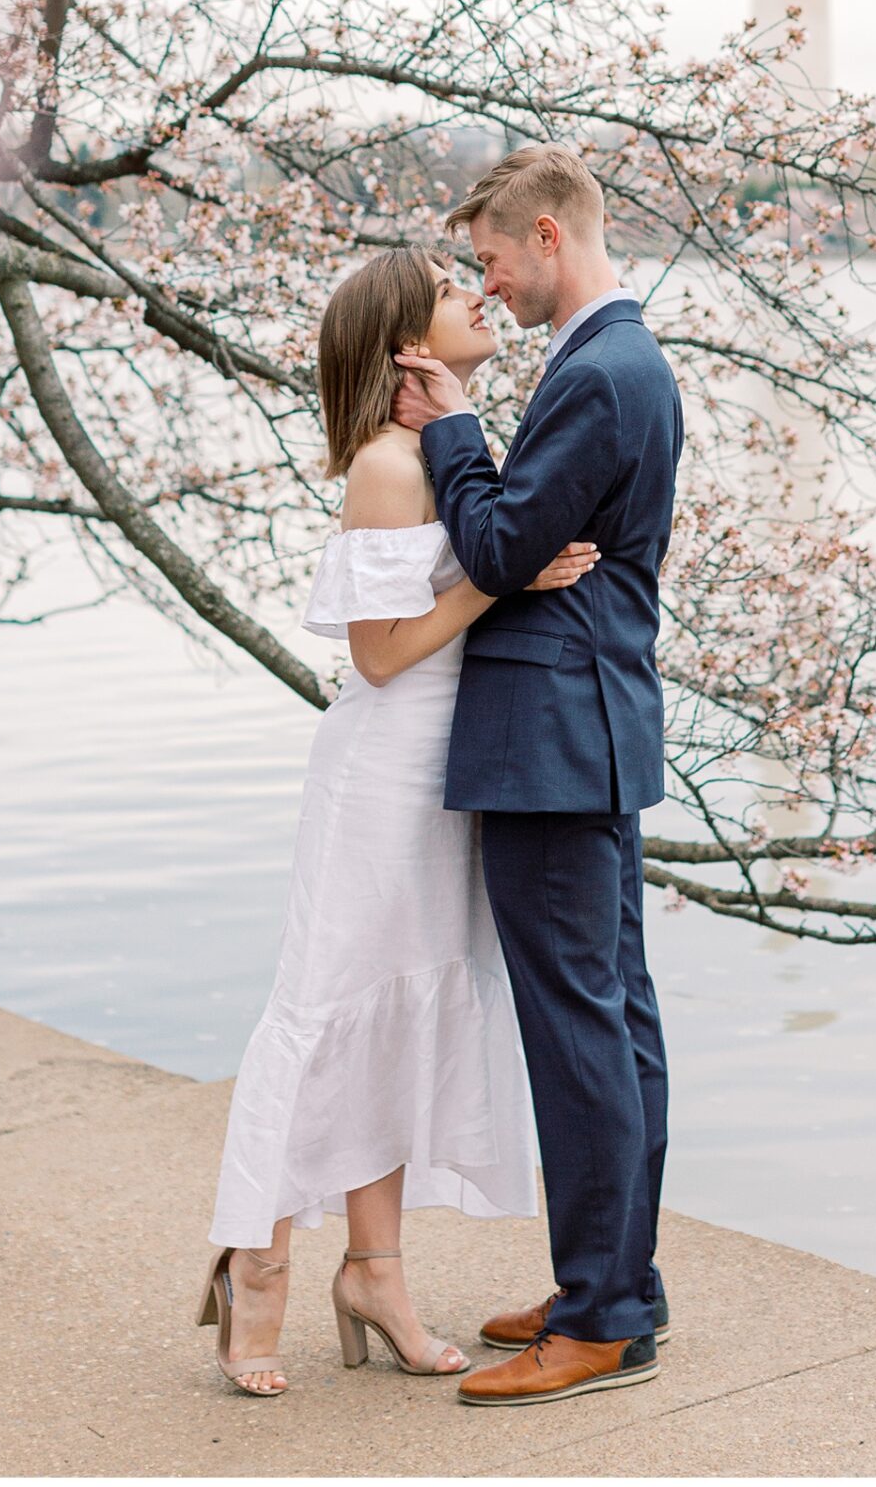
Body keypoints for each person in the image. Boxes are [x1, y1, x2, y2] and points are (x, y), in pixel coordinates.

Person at [199, 247, 598, 1396]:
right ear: (404, 343)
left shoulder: (442, 449)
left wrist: (499, 563)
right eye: (447, 287)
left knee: (395, 1012)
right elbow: (377, 658)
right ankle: (258, 1260)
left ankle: (376, 1271)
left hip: (446, 777)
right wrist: (503, 575)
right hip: (378, 776)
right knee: (327, 1007)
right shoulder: (385, 466)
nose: (477, 293)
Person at [392, 142, 683, 1409]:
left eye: (498, 260)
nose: (490, 285)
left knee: (581, 1026)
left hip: (555, 739)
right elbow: (527, 534)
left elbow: (506, 543)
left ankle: (604, 1312)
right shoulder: (611, 359)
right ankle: (612, 1286)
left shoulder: (605, 371)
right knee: (613, 1016)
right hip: (588, 725)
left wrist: (452, 428)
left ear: (553, 237)